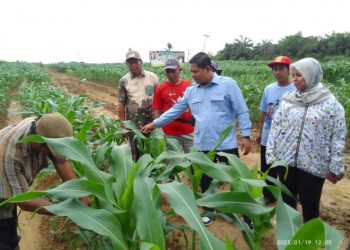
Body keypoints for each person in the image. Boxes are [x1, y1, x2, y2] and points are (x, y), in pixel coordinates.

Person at [142, 52, 252, 225]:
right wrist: (155, 124)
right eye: (191, 71)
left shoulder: (228, 85)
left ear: (208, 69)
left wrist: (246, 135)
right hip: (202, 144)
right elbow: (175, 110)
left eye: (195, 72)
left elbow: (242, 110)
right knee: (205, 180)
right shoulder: (191, 91)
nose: (191, 75)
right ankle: (209, 209)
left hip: (226, 144)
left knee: (237, 180)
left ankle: (247, 216)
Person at [266, 58, 346, 222]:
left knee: (310, 206)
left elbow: (337, 136)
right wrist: (271, 154)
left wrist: (335, 164)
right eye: (293, 75)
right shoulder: (287, 101)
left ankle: (310, 242)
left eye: (299, 75)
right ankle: (289, 238)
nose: (294, 79)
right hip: (286, 162)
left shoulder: (331, 104)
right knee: (287, 204)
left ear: (312, 75)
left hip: (313, 166)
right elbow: (275, 127)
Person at [0, 112, 90, 250]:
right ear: (37, 141)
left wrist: (81, 195)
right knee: (5, 237)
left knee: (10, 232)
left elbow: (60, 161)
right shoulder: (8, 154)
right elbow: (22, 201)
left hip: (7, 186)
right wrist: (68, 209)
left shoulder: (41, 126)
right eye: (51, 149)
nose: (54, 154)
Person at [256, 56, 295, 204]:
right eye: (274, 69)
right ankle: (268, 195)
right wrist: (260, 132)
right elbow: (264, 111)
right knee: (267, 168)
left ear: (289, 70)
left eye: (281, 69)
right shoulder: (269, 88)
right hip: (268, 135)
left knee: (285, 170)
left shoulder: (296, 89)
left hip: (287, 138)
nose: (277, 72)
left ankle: (287, 198)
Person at [118, 49, 159, 160]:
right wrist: (123, 124)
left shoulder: (153, 77)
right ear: (127, 64)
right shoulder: (124, 81)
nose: (133, 65)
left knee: (153, 150)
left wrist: (158, 120)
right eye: (130, 63)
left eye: (136, 62)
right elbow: (121, 104)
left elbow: (159, 99)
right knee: (136, 151)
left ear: (141, 62)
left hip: (151, 122)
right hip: (133, 124)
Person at [152, 58, 194, 153]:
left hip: (188, 129)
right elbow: (156, 110)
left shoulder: (189, 86)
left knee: (194, 161)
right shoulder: (160, 89)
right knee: (171, 162)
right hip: (169, 131)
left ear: (179, 70)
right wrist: (158, 130)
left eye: (173, 71)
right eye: (168, 71)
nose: (171, 74)